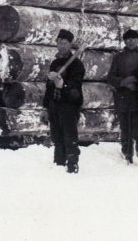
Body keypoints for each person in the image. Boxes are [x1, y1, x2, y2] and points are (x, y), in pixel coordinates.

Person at [107, 29, 138, 165]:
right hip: (123, 98)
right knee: (125, 127)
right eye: (128, 39)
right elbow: (111, 77)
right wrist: (123, 82)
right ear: (124, 41)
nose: (130, 42)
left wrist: (136, 80)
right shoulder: (118, 57)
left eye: (133, 39)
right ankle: (127, 153)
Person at [42, 29, 85, 173]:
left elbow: (76, 89)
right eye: (59, 42)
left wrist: (63, 85)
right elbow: (49, 88)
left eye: (65, 43)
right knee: (56, 136)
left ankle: (72, 164)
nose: (62, 46)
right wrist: (45, 107)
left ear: (70, 44)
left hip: (69, 106)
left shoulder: (77, 64)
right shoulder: (55, 63)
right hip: (54, 105)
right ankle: (59, 164)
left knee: (69, 136)